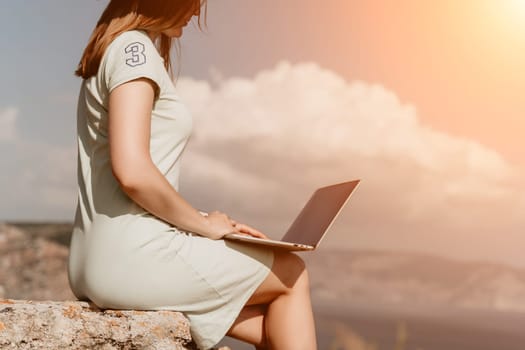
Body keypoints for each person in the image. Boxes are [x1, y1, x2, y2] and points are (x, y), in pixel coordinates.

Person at [67, 1, 317, 349]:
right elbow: (133, 171)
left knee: (274, 327)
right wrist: (204, 228)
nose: (197, 13)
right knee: (291, 272)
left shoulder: (116, 50)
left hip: (95, 257)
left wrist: (210, 222)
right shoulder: (134, 50)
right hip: (130, 256)